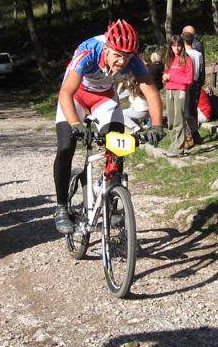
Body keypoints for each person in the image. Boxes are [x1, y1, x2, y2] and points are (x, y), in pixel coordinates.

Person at [53, 19, 165, 235]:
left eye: (127, 56)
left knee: (117, 145)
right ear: (107, 48)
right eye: (117, 55)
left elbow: (151, 93)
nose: (122, 61)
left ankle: (110, 200)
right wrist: (76, 124)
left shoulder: (133, 61)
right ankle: (60, 208)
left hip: (104, 99)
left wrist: (157, 125)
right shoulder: (88, 52)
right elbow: (66, 93)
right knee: (66, 146)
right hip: (75, 96)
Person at [162, 34, 194, 157]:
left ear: (183, 46)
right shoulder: (169, 59)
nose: (177, 48)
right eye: (174, 45)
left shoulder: (187, 59)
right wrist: (164, 78)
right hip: (169, 90)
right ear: (171, 46)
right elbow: (166, 74)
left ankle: (179, 148)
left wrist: (171, 77)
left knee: (179, 119)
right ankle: (174, 144)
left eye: (179, 45)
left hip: (181, 91)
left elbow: (189, 79)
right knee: (170, 120)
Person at [182, 28, 204, 147]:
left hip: (185, 84)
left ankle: (189, 136)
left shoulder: (184, 55)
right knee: (192, 110)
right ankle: (196, 135)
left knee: (184, 112)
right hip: (195, 82)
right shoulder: (198, 54)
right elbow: (200, 68)